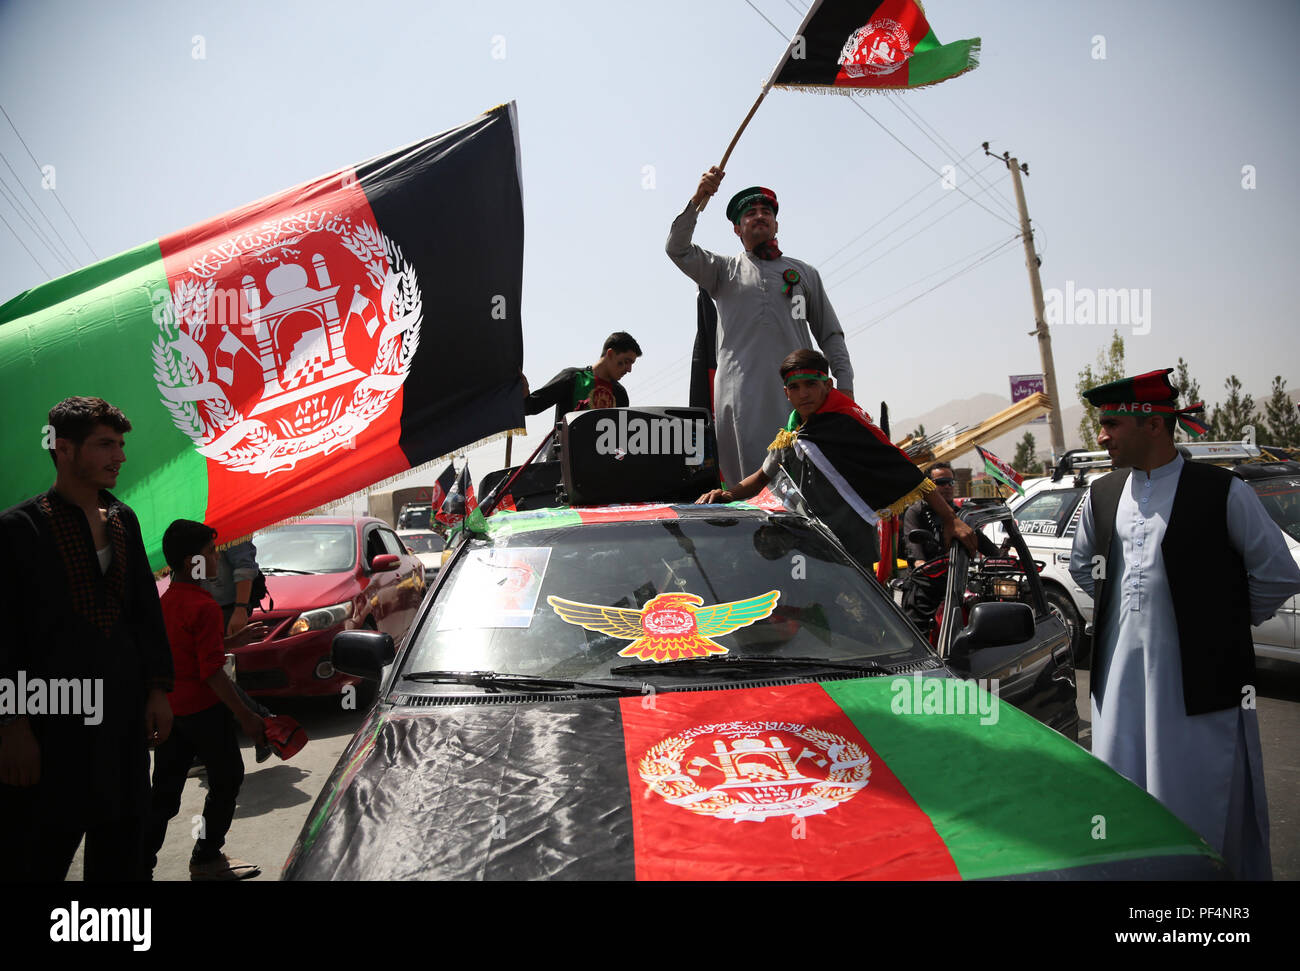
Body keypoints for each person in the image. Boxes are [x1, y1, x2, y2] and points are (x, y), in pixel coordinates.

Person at [1067, 368, 1300, 879]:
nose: (1101, 436)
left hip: (1200, 693)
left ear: (1153, 425)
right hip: (1119, 691)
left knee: (1197, 808)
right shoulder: (1103, 494)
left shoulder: (1222, 492)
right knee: (1124, 804)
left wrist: (1220, 624)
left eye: (1111, 424)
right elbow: (1083, 566)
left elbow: (1278, 573)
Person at [0, 396, 174, 881]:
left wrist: (158, 689)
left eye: (119, 445)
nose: (118, 456)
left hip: (121, 729)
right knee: (33, 859)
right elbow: (5, 635)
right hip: (49, 730)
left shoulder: (123, 519)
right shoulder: (18, 529)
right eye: (104, 445)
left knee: (122, 859)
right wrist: (12, 727)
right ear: (63, 448)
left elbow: (144, 612)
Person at [668, 168, 855, 487]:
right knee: (750, 488)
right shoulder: (722, 270)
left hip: (800, 393)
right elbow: (678, 249)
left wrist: (846, 389)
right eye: (750, 213)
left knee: (804, 484)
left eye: (766, 211)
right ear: (737, 229)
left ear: (776, 224)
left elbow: (830, 334)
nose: (759, 216)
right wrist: (699, 200)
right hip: (741, 397)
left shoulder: (804, 273)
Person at [696, 350, 976, 560]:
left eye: (810, 384)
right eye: (795, 387)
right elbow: (760, 478)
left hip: (853, 548)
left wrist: (950, 519)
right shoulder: (792, 433)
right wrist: (726, 495)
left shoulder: (849, 423)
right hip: (810, 546)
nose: (803, 393)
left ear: (827, 386)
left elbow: (905, 472)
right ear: (786, 393)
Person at [142, 519, 266, 881]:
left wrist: (230, 644)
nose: (216, 558)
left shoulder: (168, 600)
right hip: (204, 711)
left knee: (164, 792)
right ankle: (206, 856)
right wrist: (246, 715)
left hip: (173, 711)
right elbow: (211, 671)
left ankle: (141, 863)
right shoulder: (204, 604)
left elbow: (185, 653)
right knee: (227, 779)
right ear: (190, 562)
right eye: (211, 552)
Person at [900, 462, 999, 634]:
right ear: (928, 486)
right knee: (918, 638)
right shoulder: (915, 512)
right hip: (925, 590)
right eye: (941, 482)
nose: (947, 487)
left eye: (950, 482)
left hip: (958, 587)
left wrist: (1003, 556)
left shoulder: (961, 515)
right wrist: (923, 564)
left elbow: (986, 546)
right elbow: (917, 557)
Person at [203, 538, 274, 763]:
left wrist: (240, 609)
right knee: (204, 671)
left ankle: (262, 722)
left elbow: (244, 565)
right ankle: (262, 722)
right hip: (202, 605)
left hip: (225, 607)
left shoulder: (228, 522)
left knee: (208, 671)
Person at [523, 331, 641, 432]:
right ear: (610, 354)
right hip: (566, 457)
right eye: (626, 361)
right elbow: (529, 406)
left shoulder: (620, 394)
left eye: (632, 364)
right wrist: (521, 391)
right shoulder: (572, 378)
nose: (629, 369)